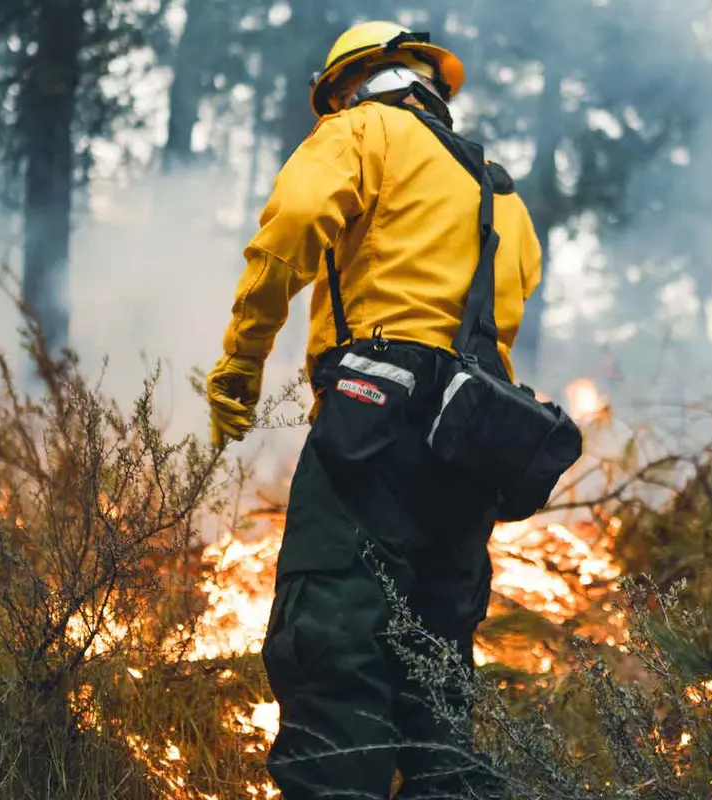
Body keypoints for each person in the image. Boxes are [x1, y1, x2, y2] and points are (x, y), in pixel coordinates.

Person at [206, 19, 542, 800]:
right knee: (437, 673)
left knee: (331, 637)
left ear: (352, 86)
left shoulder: (362, 130)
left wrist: (243, 360)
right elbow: (501, 322)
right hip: (474, 436)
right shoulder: (502, 193)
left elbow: (290, 228)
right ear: (432, 89)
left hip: (373, 418)